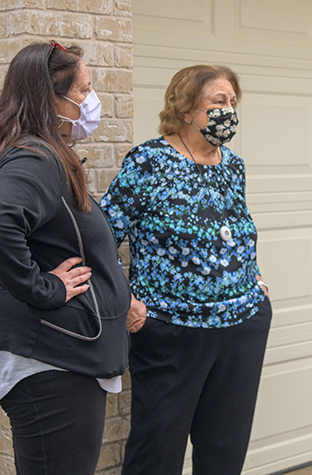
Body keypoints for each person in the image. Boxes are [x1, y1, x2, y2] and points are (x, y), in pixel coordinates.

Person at [99, 64, 272, 475]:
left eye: (232, 102)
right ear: (187, 107)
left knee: (224, 452)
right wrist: (125, 299)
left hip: (241, 325)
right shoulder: (149, 162)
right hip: (170, 331)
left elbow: (234, 230)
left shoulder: (233, 165)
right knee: (156, 452)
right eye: (218, 101)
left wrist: (256, 279)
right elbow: (102, 236)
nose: (228, 110)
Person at [0, 41, 131, 475]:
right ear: (50, 98)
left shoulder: (41, 153)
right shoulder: (35, 158)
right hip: (51, 364)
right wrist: (45, 288)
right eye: (82, 91)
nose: (90, 102)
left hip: (61, 358)